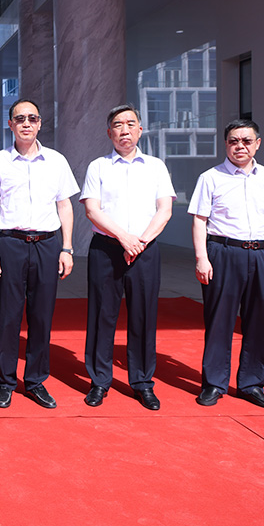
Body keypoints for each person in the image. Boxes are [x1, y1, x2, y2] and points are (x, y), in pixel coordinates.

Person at [0, 99, 78, 410]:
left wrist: (67, 247)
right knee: (8, 316)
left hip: (47, 244)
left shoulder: (57, 161)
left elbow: (65, 206)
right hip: (11, 244)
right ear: (11, 124)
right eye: (20, 119)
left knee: (42, 316)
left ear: (40, 123)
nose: (26, 124)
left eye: (32, 118)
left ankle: (35, 381)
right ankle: (5, 382)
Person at [189, 118, 264, 409]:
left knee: (260, 321)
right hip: (223, 252)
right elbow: (200, 220)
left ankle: (252, 384)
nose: (240, 146)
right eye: (234, 141)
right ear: (226, 144)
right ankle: (214, 383)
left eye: (246, 141)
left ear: (257, 144)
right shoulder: (210, 177)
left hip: (262, 253)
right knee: (219, 320)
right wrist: (202, 258)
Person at [79, 105, 175, 410]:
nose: (124, 130)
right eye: (118, 125)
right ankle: (99, 381)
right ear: (109, 132)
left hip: (145, 249)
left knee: (143, 316)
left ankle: (143, 382)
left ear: (140, 130)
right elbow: (92, 210)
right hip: (107, 249)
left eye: (130, 124)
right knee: (102, 315)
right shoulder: (98, 167)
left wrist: (140, 241)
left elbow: (165, 209)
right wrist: (124, 238)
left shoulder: (156, 167)